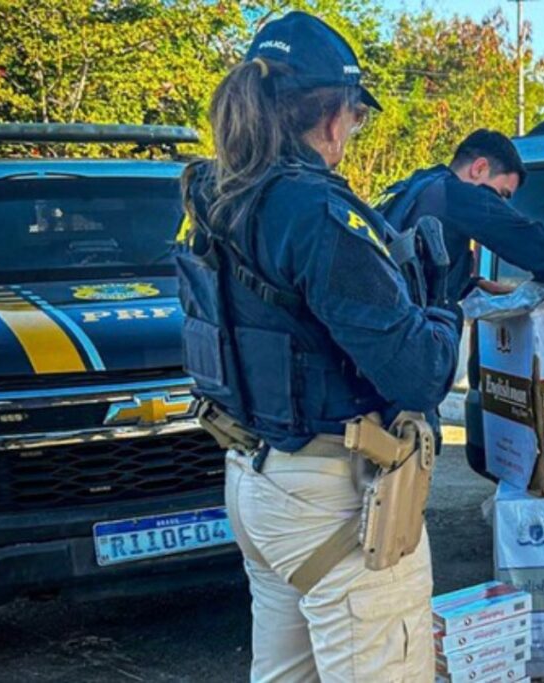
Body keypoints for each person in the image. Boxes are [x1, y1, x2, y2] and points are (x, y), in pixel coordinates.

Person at [175, 12, 459, 683]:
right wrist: (444, 302)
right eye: (355, 119)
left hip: (258, 479)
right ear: (333, 118)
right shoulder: (315, 212)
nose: (350, 137)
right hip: (334, 496)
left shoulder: (215, 193)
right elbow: (420, 374)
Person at [377, 129, 544, 303]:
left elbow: (414, 271)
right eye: (501, 194)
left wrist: (471, 285)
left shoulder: (416, 187)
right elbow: (540, 251)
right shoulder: (455, 194)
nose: (500, 204)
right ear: (479, 168)